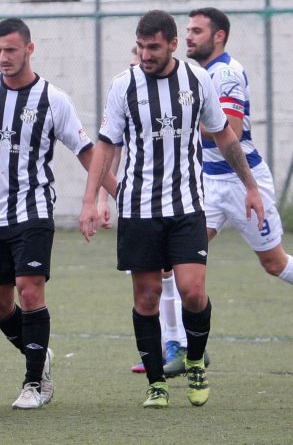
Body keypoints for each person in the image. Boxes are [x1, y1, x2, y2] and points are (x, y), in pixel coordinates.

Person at [80, 9, 264, 409]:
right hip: (139, 209)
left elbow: (225, 136)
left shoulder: (197, 80)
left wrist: (251, 187)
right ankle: (156, 383)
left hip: (187, 205)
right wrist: (92, 199)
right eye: (141, 47)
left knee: (193, 292)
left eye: (154, 47)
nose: (145, 55)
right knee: (146, 297)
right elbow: (106, 145)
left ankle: (195, 361)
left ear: (173, 45)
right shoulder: (123, 85)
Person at [0, 18, 114, 410]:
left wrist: (116, 195)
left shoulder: (53, 99)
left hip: (32, 210)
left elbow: (86, 152)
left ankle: (35, 383)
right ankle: (38, 352)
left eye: (10, 50)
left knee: (29, 290)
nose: (3, 57)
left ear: (30, 49)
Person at [99, 47, 198, 377]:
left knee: (180, 279)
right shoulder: (127, 93)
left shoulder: (184, 89)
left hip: (182, 199)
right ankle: (169, 346)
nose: (139, 68)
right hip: (141, 205)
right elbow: (111, 149)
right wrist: (104, 197)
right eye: (134, 62)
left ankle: (180, 344)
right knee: (152, 283)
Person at [185, 8, 293, 284]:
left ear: (218, 36)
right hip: (209, 182)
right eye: (188, 31)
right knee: (178, 257)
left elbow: (231, 130)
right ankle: (169, 315)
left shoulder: (225, 74)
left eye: (196, 31)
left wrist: (184, 124)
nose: (189, 37)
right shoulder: (203, 73)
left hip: (241, 181)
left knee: (274, 263)